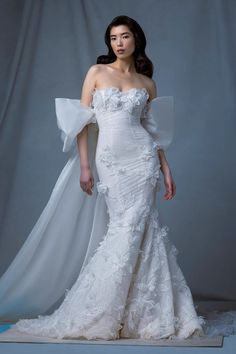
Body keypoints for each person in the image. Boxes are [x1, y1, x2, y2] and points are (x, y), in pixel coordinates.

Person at [0, 15, 205, 340]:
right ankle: (101, 310)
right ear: (109, 43)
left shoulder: (147, 83)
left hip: (142, 159)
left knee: (143, 225)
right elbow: (82, 122)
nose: (119, 43)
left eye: (125, 36)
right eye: (113, 38)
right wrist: (84, 166)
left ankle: (145, 311)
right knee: (125, 226)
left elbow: (154, 132)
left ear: (136, 39)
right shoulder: (96, 73)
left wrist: (166, 167)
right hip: (110, 159)